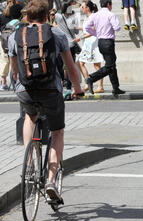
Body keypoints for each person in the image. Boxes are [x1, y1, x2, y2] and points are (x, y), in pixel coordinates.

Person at [9, 0, 84, 201]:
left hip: (26, 90)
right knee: (57, 132)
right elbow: (70, 68)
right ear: (46, 17)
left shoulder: (15, 36)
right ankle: (51, 181)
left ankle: (29, 164)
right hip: (51, 90)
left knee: (30, 117)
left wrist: (17, 82)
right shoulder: (57, 33)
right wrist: (78, 89)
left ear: (26, 17)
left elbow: (14, 69)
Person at [84, 0, 125, 97]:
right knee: (110, 66)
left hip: (100, 42)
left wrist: (96, 33)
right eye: (111, 5)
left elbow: (87, 27)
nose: (111, 7)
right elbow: (117, 28)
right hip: (108, 42)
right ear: (108, 4)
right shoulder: (110, 15)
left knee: (111, 64)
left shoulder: (95, 15)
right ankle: (91, 78)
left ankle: (115, 88)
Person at [76, 0, 104, 93]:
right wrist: (76, 27)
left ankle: (100, 86)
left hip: (93, 43)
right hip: (87, 44)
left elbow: (93, 31)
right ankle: (88, 82)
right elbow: (86, 28)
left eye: (83, 7)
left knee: (96, 65)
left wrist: (81, 37)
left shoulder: (93, 17)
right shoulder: (87, 17)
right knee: (80, 62)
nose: (82, 9)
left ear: (88, 8)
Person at [54, 0, 81, 95]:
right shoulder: (73, 18)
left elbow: (54, 13)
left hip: (62, 45)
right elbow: (77, 32)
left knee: (63, 66)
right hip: (72, 44)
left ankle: (65, 83)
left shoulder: (59, 17)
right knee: (70, 66)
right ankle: (69, 86)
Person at [0, 0, 22, 90]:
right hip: (16, 40)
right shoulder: (16, 15)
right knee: (16, 62)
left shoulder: (2, 16)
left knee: (5, 61)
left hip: (4, 40)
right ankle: (17, 81)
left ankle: (3, 82)